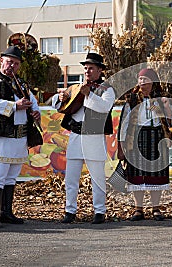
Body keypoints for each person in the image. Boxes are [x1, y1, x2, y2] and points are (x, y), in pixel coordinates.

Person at [0, 46, 41, 229]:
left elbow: (33, 103)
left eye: (15, 64)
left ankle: (7, 213)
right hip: (1, 136)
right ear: (1, 61)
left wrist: (36, 112)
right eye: (9, 62)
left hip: (19, 137)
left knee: (12, 176)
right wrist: (15, 105)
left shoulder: (22, 84)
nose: (12, 66)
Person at [52, 52, 115, 224]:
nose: (87, 71)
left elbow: (104, 107)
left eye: (91, 68)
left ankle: (99, 211)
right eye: (85, 68)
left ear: (100, 70)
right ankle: (70, 210)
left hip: (94, 137)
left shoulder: (107, 89)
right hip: (76, 135)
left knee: (97, 177)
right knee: (71, 177)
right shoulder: (76, 87)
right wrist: (60, 98)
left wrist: (90, 95)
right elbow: (59, 105)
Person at [117, 68, 172, 221]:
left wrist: (164, 108)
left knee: (156, 174)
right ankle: (138, 209)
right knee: (137, 174)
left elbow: (171, 122)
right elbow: (124, 123)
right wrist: (121, 146)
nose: (142, 82)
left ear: (153, 82)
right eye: (140, 79)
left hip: (157, 138)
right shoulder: (132, 99)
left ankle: (156, 208)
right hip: (137, 139)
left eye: (145, 79)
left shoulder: (162, 98)